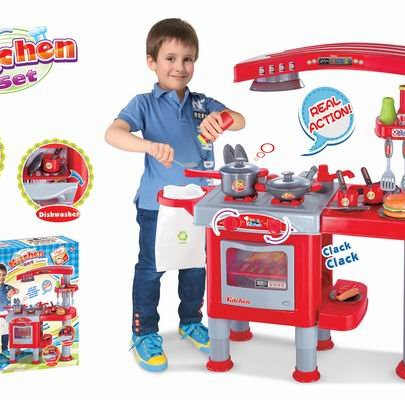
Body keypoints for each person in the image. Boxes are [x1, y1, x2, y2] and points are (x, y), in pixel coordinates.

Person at [105, 18, 245, 372]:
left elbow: (240, 119)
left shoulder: (202, 103)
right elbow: (113, 133)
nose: (179, 67)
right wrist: (148, 146)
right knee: (151, 270)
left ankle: (191, 321)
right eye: (170, 58)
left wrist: (223, 118)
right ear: (151, 61)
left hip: (201, 205)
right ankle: (144, 332)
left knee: (196, 266)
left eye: (187, 59)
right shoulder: (143, 104)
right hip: (157, 205)